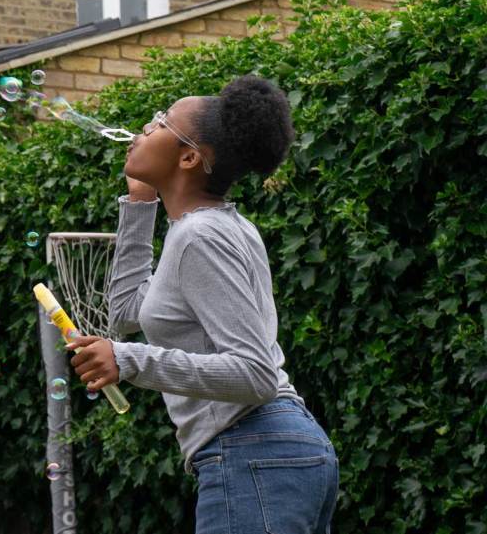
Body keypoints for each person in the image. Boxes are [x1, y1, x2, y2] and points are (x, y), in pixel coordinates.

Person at [68, 76, 339, 534]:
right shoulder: (199, 230)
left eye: (160, 122)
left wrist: (127, 360)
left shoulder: (202, 237)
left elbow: (255, 374)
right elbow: (127, 315)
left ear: (190, 157)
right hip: (270, 452)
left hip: (255, 449)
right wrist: (138, 207)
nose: (144, 128)